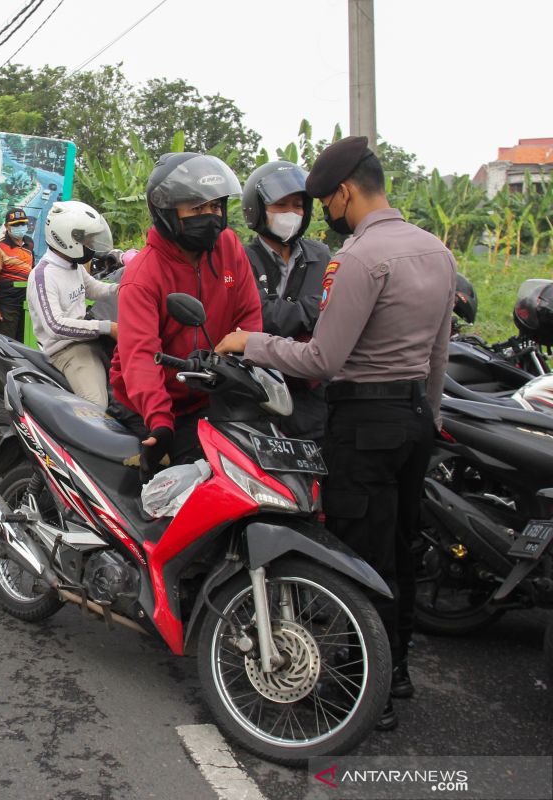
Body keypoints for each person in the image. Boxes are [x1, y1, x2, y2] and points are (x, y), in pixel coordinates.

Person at [216, 137, 457, 732]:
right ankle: (396, 672)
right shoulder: (435, 250)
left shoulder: (357, 257)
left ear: (345, 192)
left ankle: (363, 689)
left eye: (325, 200)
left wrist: (251, 342)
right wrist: (430, 416)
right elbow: (438, 355)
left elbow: (324, 356)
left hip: (363, 423)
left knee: (356, 556)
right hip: (413, 421)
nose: (321, 211)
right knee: (400, 547)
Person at [109, 152, 262, 472]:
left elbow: (248, 315)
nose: (209, 215)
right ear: (166, 210)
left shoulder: (229, 247)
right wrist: (159, 420)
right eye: (196, 208)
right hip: (146, 404)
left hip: (207, 394)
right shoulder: (143, 276)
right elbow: (140, 356)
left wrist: (242, 367)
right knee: (167, 488)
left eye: (215, 206)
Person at [240, 161, 332, 441]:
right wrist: (317, 306)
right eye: (280, 205)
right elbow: (261, 317)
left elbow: (337, 318)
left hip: (315, 393)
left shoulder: (321, 255)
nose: (291, 213)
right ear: (258, 209)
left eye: (297, 205)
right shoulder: (242, 260)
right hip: (260, 393)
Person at [27, 201, 118, 406]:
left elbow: (94, 288)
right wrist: (108, 328)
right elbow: (55, 325)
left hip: (91, 341)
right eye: (86, 238)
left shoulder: (73, 266)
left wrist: (123, 288)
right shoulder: (44, 275)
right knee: (97, 408)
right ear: (67, 238)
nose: (90, 243)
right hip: (68, 350)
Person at [0, 207, 35, 341]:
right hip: (6, 306)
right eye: (16, 225)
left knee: (24, 346)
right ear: (7, 226)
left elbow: (33, 271)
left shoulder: (29, 244)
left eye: (23, 224)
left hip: (26, 305)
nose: (20, 227)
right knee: (5, 346)